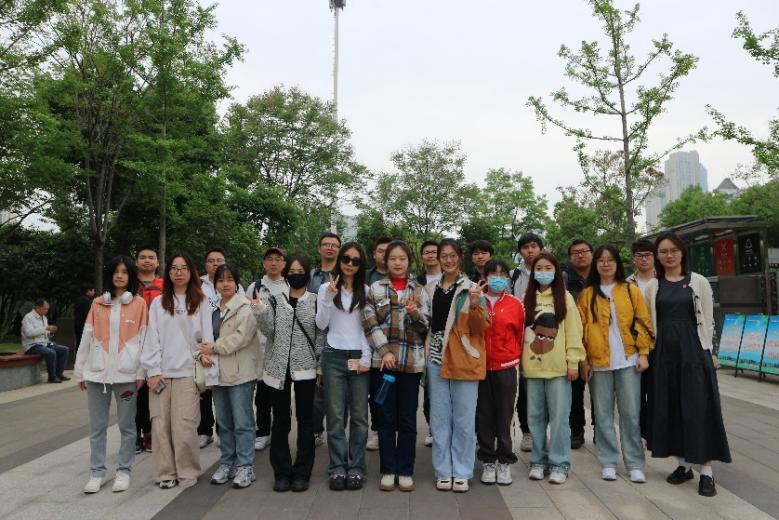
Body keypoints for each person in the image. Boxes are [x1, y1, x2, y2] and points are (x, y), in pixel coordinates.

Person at [645, 232, 731, 497]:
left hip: (694, 353)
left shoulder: (698, 282)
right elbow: (650, 322)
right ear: (657, 256)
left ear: (682, 252)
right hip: (664, 355)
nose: (669, 255)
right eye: (663, 251)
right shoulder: (653, 286)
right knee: (671, 406)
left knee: (699, 408)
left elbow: (708, 319)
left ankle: (706, 471)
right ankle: (684, 465)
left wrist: (709, 352)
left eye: (673, 250)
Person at [578, 245, 653, 484]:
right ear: (595, 264)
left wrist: (643, 353)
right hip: (598, 363)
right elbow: (581, 330)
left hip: (628, 361)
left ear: (618, 263)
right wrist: (584, 361)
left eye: (610, 260)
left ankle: (634, 463)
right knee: (602, 415)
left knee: (630, 414)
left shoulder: (630, 290)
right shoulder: (586, 294)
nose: (606, 264)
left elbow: (643, 322)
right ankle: (608, 461)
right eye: (601, 260)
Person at [74, 256, 148, 494]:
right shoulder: (98, 303)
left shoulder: (139, 304)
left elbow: (144, 339)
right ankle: (96, 472)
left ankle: (124, 471)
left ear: (131, 275)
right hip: (97, 374)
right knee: (97, 427)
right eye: (116, 271)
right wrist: (80, 372)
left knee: (127, 426)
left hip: (126, 376)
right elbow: (86, 337)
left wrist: (141, 371)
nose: (120, 276)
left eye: (124, 272)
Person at [141, 251, 214, 489]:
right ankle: (165, 473)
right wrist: (152, 371)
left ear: (191, 272)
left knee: (185, 426)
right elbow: (151, 338)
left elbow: (207, 338)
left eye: (183, 268)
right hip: (161, 374)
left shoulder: (201, 301)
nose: (178, 273)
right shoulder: (158, 303)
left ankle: (187, 471)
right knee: (160, 426)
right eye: (174, 268)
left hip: (188, 373)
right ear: (168, 272)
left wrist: (207, 361)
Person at [362, 240, 430, 492]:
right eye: (393, 258)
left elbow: (426, 327)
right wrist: (385, 351)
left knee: (408, 419)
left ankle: (406, 470)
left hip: (411, 365)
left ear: (409, 261)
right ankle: (388, 469)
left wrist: (414, 314)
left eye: (402, 258)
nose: (398, 263)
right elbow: (369, 322)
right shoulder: (375, 288)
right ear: (385, 261)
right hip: (383, 365)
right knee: (385, 417)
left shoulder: (419, 290)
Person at [424, 239, 488, 493]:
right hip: (436, 357)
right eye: (444, 256)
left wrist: (476, 304)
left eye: (453, 255)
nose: (448, 260)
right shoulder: (430, 289)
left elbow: (481, 328)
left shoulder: (472, 288)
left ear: (460, 257)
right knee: (439, 417)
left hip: (463, 357)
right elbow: (426, 324)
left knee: (464, 418)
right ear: (438, 259)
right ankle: (443, 470)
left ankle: (461, 470)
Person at [257, 254, 324, 493]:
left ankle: (302, 472)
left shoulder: (316, 301)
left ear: (307, 274)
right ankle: (282, 472)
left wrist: (319, 366)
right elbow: (269, 332)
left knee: (306, 421)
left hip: (305, 368)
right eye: (292, 271)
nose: (296, 275)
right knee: (280, 421)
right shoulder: (275, 300)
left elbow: (320, 335)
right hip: (278, 368)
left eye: (300, 271)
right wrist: (260, 311)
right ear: (286, 275)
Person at [523, 252, 585, 485]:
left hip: (559, 369)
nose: (543, 272)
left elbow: (574, 331)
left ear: (556, 271)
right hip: (532, 369)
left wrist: (573, 361)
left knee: (559, 419)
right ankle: (538, 461)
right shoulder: (527, 298)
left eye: (548, 268)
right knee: (535, 418)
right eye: (539, 268)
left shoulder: (565, 298)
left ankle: (560, 463)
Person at [316, 242, 371, 491]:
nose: (349, 264)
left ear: (361, 265)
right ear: (339, 261)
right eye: (346, 259)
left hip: (358, 354)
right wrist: (329, 296)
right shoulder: (325, 288)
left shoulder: (366, 291)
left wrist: (366, 358)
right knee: (336, 416)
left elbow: (367, 327)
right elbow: (321, 324)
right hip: (333, 355)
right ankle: (337, 467)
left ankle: (357, 467)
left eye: (355, 261)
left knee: (359, 416)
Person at [200, 264, 260, 489]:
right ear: (215, 284)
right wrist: (201, 354)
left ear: (236, 283)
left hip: (240, 374)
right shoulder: (210, 309)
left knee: (243, 423)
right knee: (224, 423)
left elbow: (240, 338)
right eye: (220, 280)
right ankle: (227, 463)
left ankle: (245, 466)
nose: (225, 284)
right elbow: (200, 338)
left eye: (229, 279)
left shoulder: (245, 307)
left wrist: (213, 348)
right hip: (217, 374)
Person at [477, 259, 524, 487]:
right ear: (484, 277)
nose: (498, 278)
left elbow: (520, 336)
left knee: (504, 416)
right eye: (493, 274)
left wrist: (515, 358)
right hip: (480, 367)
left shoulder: (516, 304)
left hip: (506, 367)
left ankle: (505, 460)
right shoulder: (476, 299)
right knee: (483, 415)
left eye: (502, 274)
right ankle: (488, 460)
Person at [246, 247, 288, 452]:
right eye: (269, 259)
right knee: (262, 394)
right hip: (260, 349)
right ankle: (263, 432)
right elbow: (247, 317)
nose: (273, 263)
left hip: (282, 349)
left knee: (281, 394)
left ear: (284, 264)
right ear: (263, 263)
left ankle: (281, 432)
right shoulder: (255, 287)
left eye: (278, 259)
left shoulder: (289, 286)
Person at [510, 233, 544, 453]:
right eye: (525, 247)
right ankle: (527, 432)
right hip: (523, 338)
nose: (530, 250)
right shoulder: (514, 275)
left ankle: (543, 430)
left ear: (541, 248)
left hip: (548, 337)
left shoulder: (552, 272)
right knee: (525, 387)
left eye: (533, 246)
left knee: (547, 386)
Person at [309, 233, 343, 447]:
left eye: (334, 245)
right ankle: (315, 430)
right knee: (315, 391)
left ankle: (337, 435)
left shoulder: (345, 274)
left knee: (336, 394)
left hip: (338, 337)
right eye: (326, 244)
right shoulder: (311, 276)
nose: (330, 248)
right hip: (312, 336)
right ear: (319, 248)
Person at [135, 245, 164, 454]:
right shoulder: (130, 285)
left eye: (151, 257)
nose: (147, 260)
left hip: (159, 345)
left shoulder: (165, 285)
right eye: (143, 257)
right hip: (134, 345)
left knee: (155, 392)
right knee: (136, 393)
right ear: (136, 262)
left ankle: (152, 434)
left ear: (157, 262)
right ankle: (136, 434)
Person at [626, 239, 656, 440]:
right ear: (633, 259)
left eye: (648, 255)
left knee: (657, 390)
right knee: (636, 393)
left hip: (661, 344)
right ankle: (641, 432)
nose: (644, 259)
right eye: (639, 255)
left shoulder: (664, 280)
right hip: (635, 346)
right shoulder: (626, 284)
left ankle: (655, 432)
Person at [566, 239, 594, 450]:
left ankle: (601, 431)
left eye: (584, 251)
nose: (580, 255)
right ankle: (576, 431)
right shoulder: (564, 280)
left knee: (601, 393)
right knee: (575, 392)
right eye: (576, 252)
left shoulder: (601, 278)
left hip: (599, 342)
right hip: (575, 341)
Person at [365, 234, 392, 450]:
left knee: (390, 388)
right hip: (366, 339)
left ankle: (391, 428)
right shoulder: (365, 277)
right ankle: (376, 429)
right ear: (374, 254)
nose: (384, 255)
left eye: (388, 251)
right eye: (380, 251)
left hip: (393, 345)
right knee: (373, 390)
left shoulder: (403, 277)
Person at [416, 239, 441, 447]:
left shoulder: (451, 278)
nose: (431, 255)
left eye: (434, 252)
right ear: (422, 257)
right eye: (427, 252)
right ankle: (433, 428)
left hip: (445, 338)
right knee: (430, 387)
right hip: (423, 337)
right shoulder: (417, 281)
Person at [21, 299, 70, 383]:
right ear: (37, 308)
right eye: (45, 309)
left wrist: (50, 331)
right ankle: (52, 377)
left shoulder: (44, 318)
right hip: (32, 345)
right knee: (51, 353)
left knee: (64, 350)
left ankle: (59, 375)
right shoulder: (28, 317)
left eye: (47, 309)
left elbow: (45, 334)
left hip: (44, 344)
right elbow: (29, 333)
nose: (46, 311)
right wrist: (46, 328)